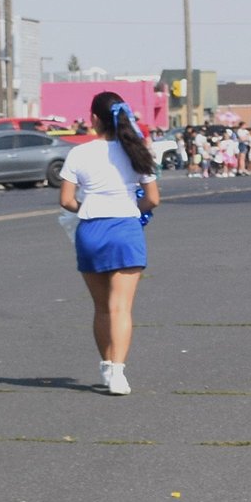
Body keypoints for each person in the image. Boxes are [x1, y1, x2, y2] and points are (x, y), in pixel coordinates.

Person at [58, 90, 159, 396]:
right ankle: (118, 372)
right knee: (121, 308)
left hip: (91, 230)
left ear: (93, 119)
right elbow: (153, 199)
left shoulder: (79, 153)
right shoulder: (136, 150)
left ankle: (106, 364)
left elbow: (66, 200)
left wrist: (89, 207)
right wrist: (132, 210)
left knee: (102, 307)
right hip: (125, 229)